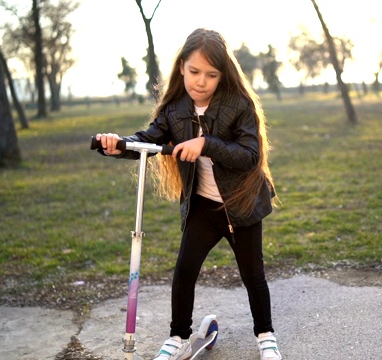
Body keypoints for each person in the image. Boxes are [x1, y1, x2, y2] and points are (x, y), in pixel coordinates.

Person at [96, 28, 282, 360]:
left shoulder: (238, 105)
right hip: (203, 207)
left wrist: (206, 144)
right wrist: (118, 145)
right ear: (182, 66)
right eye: (194, 71)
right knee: (184, 271)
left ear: (222, 75)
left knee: (253, 274)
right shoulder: (174, 109)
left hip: (241, 204)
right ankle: (179, 336)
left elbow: (250, 155)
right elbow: (149, 140)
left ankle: (266, 335)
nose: (201, 81)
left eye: (211, 75)